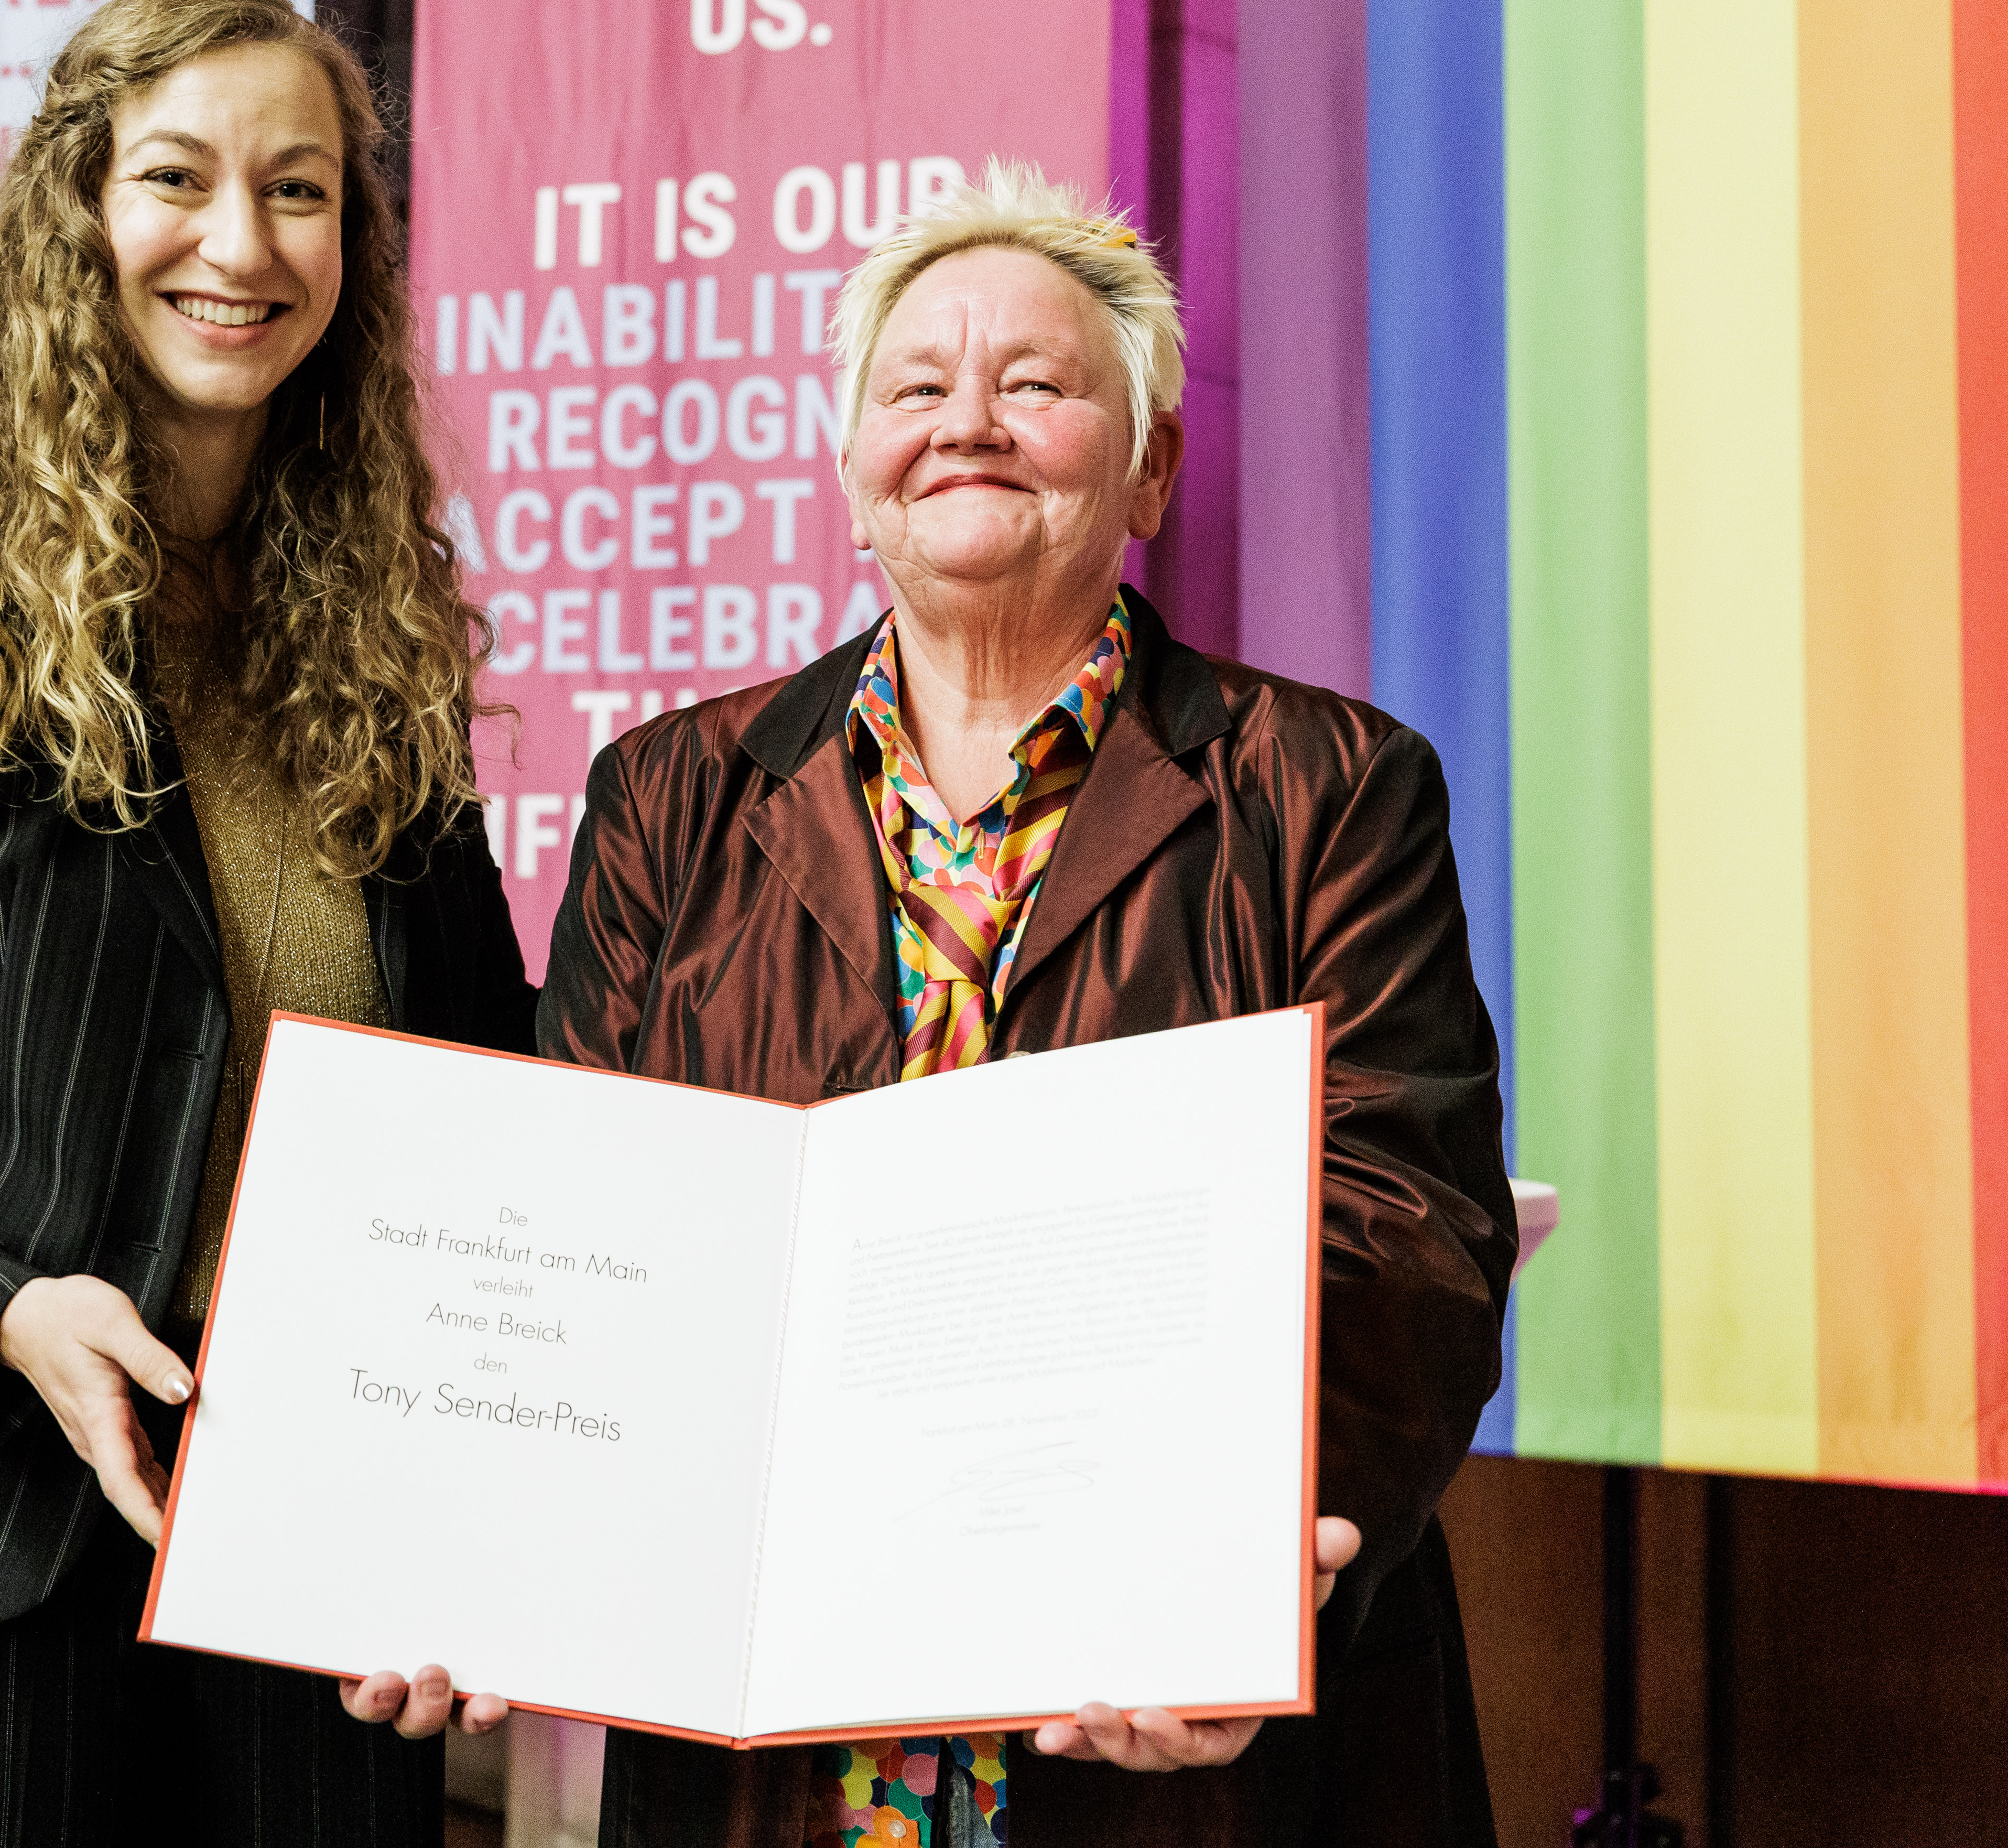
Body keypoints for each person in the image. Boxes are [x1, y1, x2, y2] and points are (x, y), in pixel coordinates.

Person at [540, 161, 1514, 1847]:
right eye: (914, 388)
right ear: (853, 472)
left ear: (1149, 468)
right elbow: (592, 1230)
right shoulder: (664, 795)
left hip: (1169, 1722)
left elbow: (1406, 1215)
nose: (966, 424)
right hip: (770, 1741)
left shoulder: (1330, 785)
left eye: (1038, 386)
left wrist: (1244, 1581)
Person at [0, 0, 536, 1847]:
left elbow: (484, 1094)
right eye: (177, 178)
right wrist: (2, 1314)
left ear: (352, 245)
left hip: (313, 1530)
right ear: (79, 213)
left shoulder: (381, 643)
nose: (240, 243)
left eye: (298, 190)